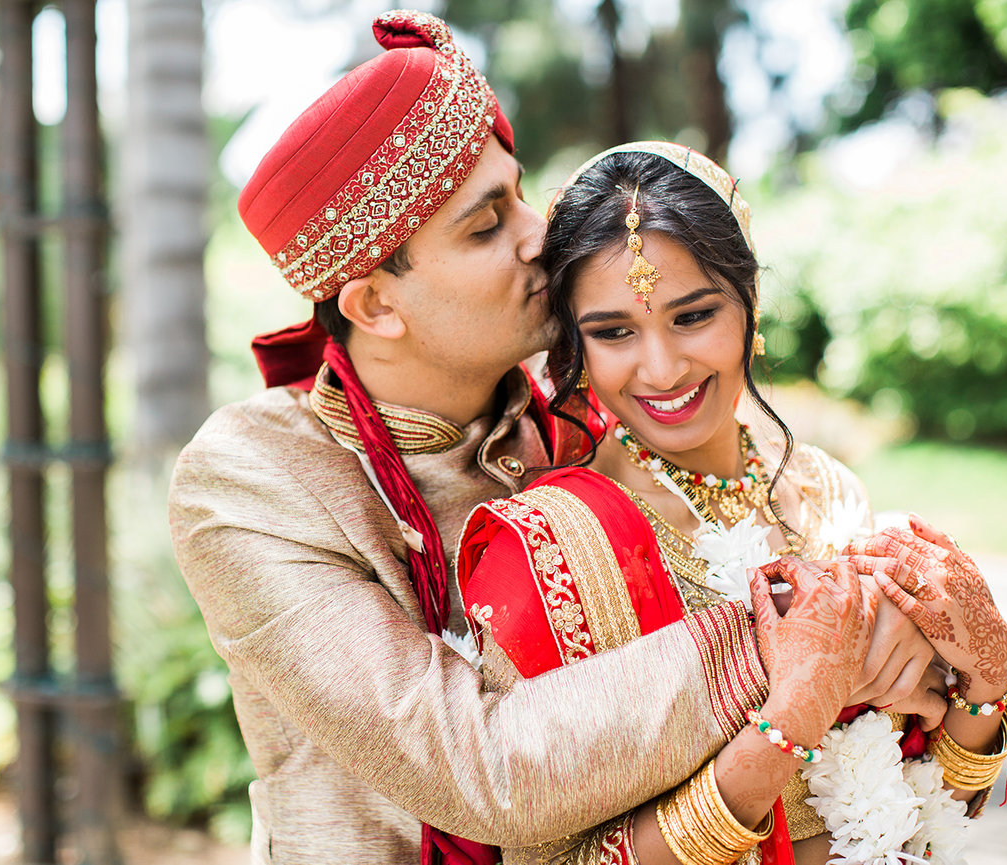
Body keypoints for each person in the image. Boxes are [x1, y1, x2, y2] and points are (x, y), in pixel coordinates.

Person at [170, 13, 934, 865]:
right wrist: (789, 631)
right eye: (485, 224)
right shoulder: (255, 480)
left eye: (518, 192)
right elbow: (482, 766)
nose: (540, 234)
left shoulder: (593, 411)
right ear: (377, 306)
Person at [456, 142, 1007, 864]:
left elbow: (924, 802)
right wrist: (782, 727)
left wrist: (984, 686)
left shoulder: (826, 492)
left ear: (750, 307)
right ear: (575, 344)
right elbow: (554, 858)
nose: (660, 368)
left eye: (692, 316)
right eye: (613, 331)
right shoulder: (547, 549)